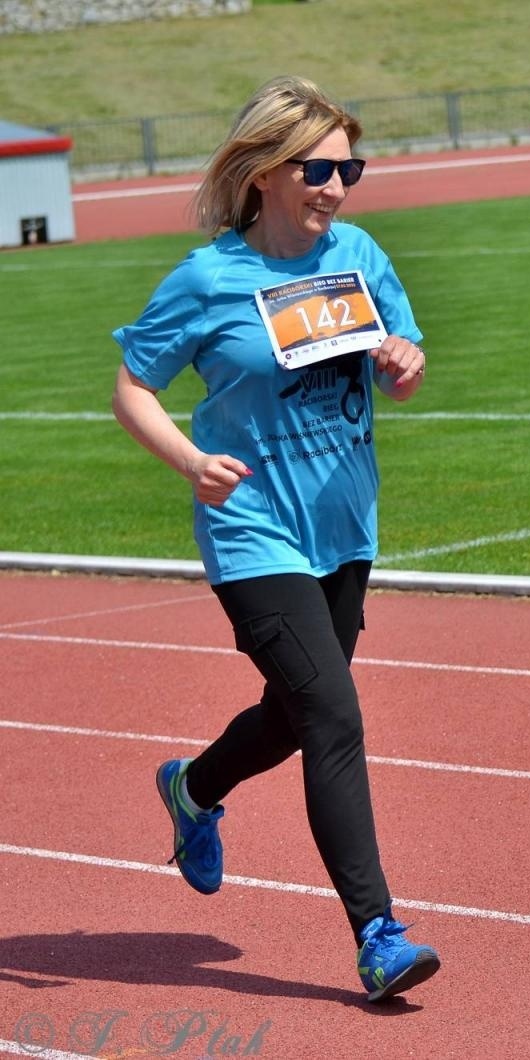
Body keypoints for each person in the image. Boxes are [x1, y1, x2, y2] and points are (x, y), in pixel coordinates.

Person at [111, 75, 441, 1001]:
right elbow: (134, 387)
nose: (336, 186)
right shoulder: (210, 278)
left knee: (297, 714)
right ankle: (378, 933)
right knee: (333, 715)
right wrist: (190, 460)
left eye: (350, 167)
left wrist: (405, 362)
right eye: (318, 167)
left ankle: (193, 788)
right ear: (264, 171)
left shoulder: (361, 256)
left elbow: (400, 374)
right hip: (252, 528)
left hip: (344, 525)